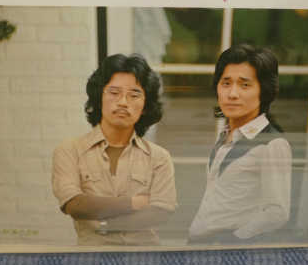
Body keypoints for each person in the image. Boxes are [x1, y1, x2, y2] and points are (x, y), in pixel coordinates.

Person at [52, 53, 177, 245]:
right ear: (99, 97)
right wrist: (134, 203)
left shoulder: (159, 157)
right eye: (114, 92)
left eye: (134, 95)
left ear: (145, 106)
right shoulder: (70, 150)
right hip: (91, 258)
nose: (123, 102)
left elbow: (160, 212)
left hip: (144, 256)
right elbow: (74, 204)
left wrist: (105, 226)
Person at [188, 44, 292, 244]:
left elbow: (277, 212)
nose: (232, 94)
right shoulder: (226, 135)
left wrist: (234, 239)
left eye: (245, 85)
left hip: (223, 247)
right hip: (198, 242)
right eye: (226, 83)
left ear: (264, 91)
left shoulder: (272, 143)